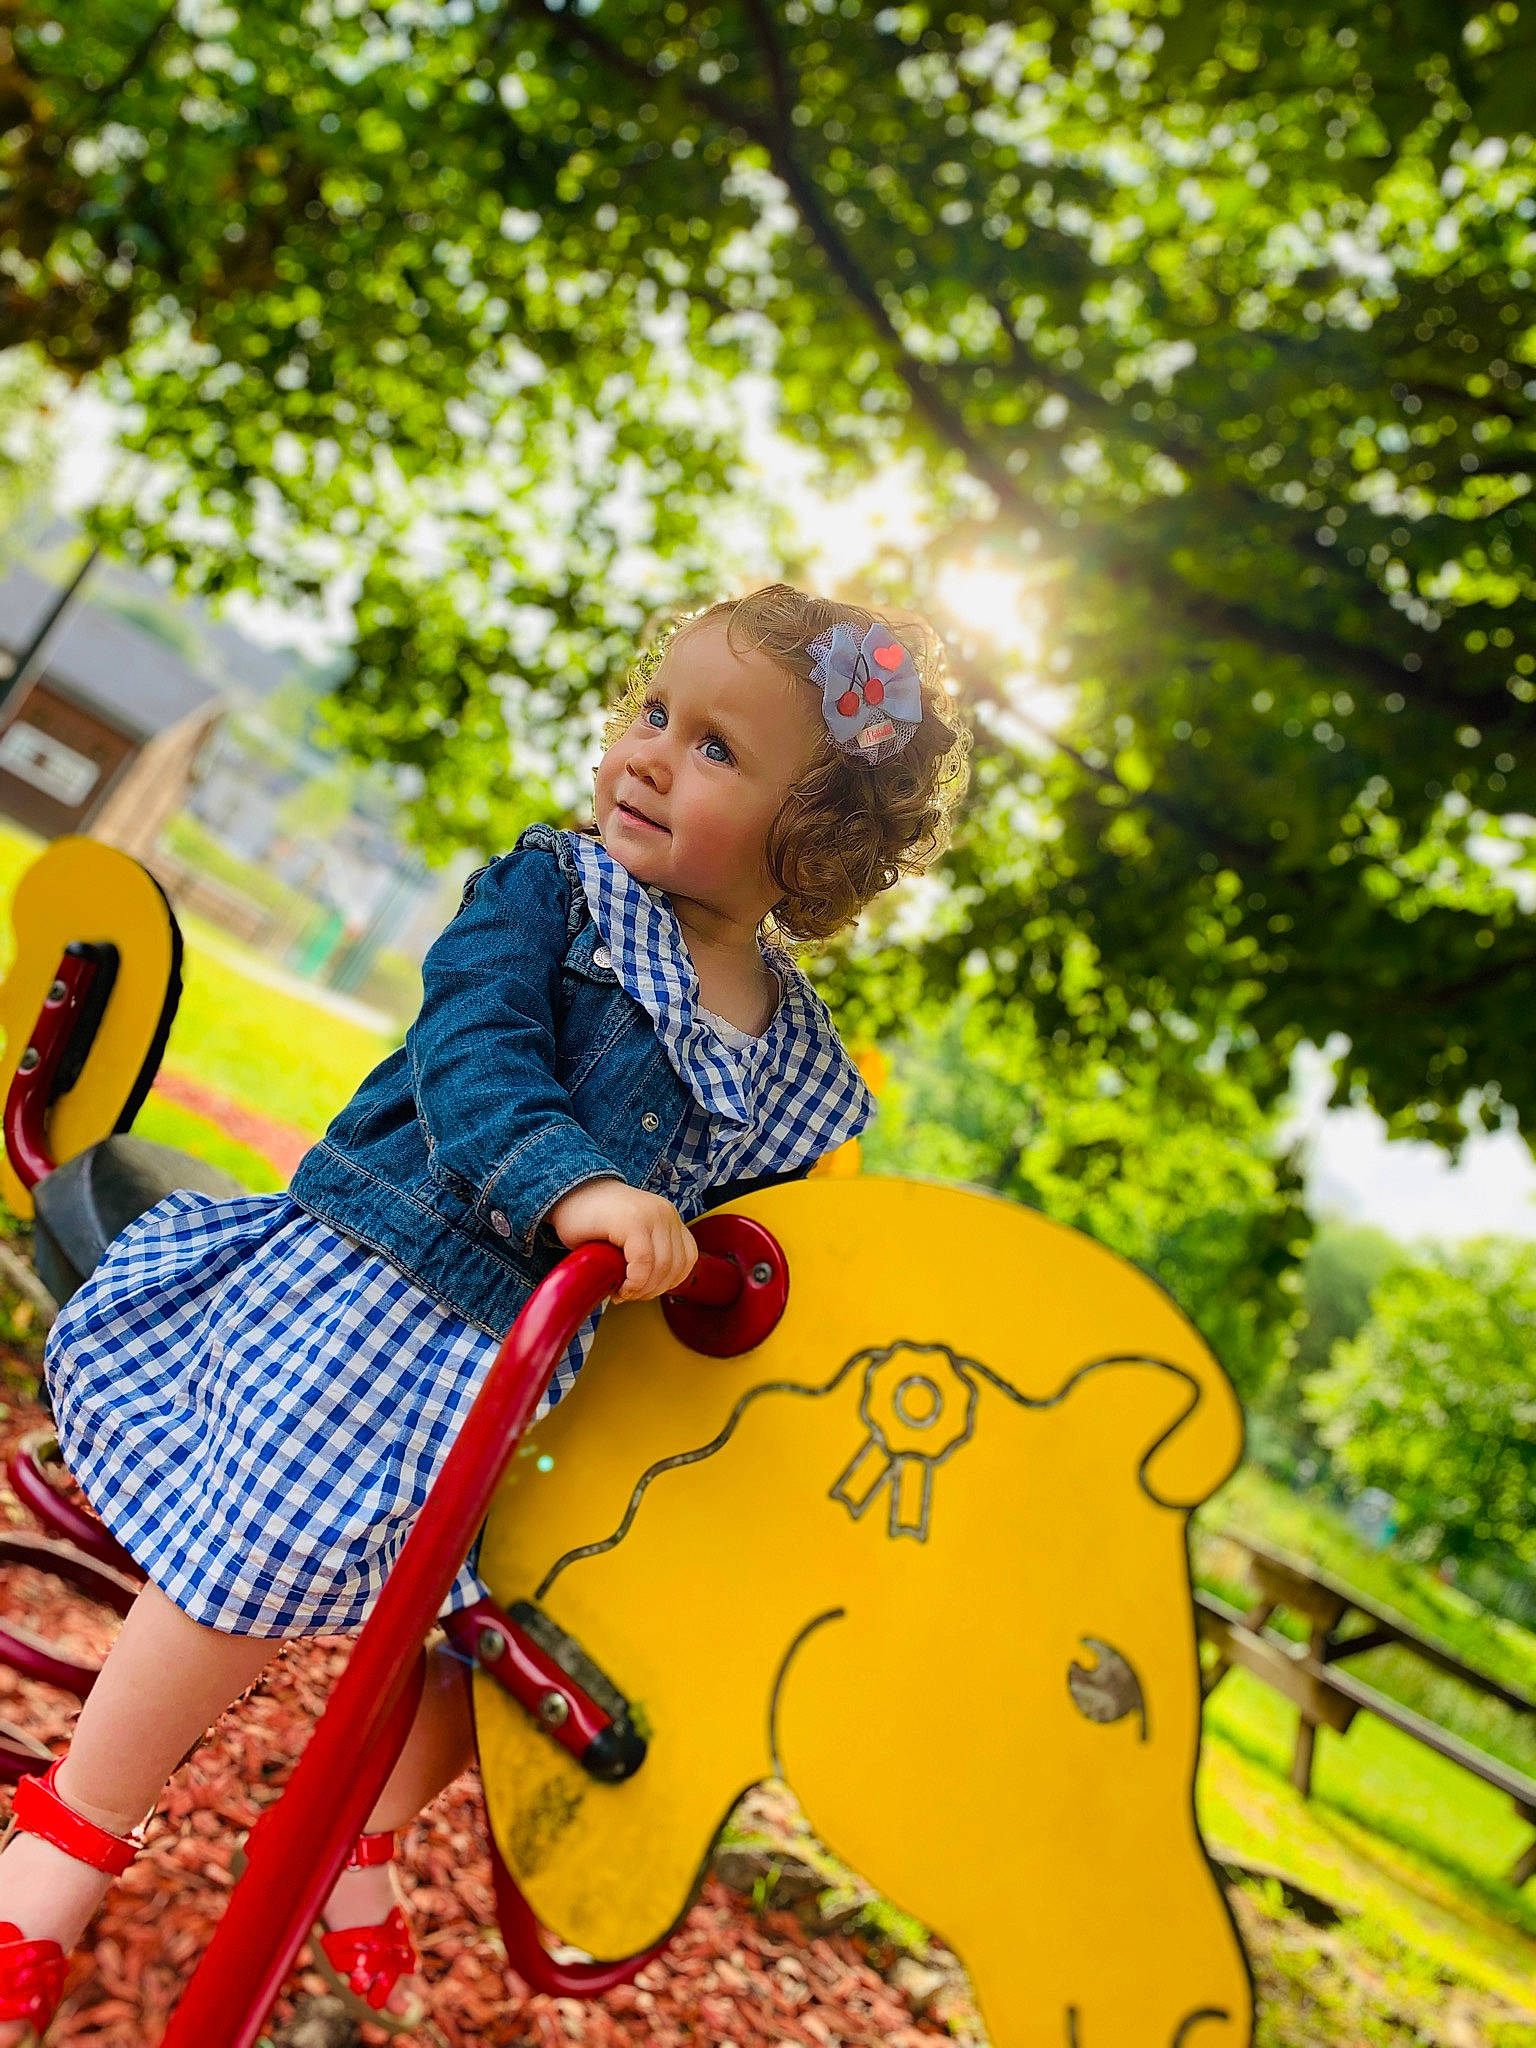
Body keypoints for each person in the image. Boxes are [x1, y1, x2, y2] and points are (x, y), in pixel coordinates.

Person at [0, 582, 968, 2043]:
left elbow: (775, 1230)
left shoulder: (797, 1053)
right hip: (374, 1292)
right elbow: (475, 1050)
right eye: (653, 712)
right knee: (248, 1557)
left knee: (517, 1635)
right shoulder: (554, 894)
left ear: (810, 837)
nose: (647, 753)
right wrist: (575, 1186)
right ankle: (67, 1840)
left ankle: (352, 1841)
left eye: (714, 749)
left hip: (526, 1379)